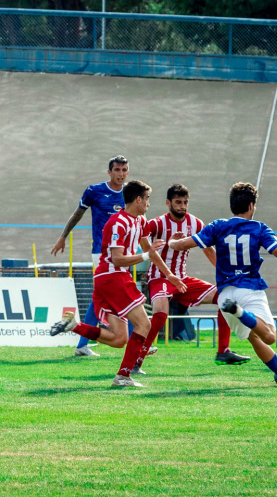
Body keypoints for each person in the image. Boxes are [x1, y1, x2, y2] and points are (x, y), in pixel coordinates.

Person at [167, 182, 277, 387]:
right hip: (249, 290)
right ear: (251, 206)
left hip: (225, 295)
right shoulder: (259, 228)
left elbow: (182, 245)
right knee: (269, 335)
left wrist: (171, 242)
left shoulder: (217, 226)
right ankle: (240, 312)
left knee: (254, 338)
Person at [48, 180, 175, 388]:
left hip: (111, 278)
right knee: (144, 324)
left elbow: (150, 252)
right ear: (138, 199)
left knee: (119, 339)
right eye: (147, 199)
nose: (149, 204)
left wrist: (169, 275)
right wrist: (145, 255)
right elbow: (117, 259)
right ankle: (123, 376)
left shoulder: (140, 221)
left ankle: (73, 326)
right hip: (112, 276)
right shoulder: (118, 222)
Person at [140, 184, 250, 366]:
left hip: (182, 279)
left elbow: (208, 250)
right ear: (168, 203)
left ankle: (223, 351)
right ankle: (139, 357)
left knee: (225, 298)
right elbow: (143, 241)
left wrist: (225, 273)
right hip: (160, 278)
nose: (182, 206)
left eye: (185, 202)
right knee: (160, 314)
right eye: (178, 202)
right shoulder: (157, 223)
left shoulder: (196, 223)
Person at [51, 155, 129, 357]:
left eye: (124, 170)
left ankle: (82, 344)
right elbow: (78, 213)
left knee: (101, 296)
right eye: (117, 170)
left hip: (121, 253)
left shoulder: (129, 193)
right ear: (109, 171)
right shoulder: (95, 191)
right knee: (120, 292)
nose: (121, 174)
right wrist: (63, 236)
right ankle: (137, 338)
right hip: (101, 253)